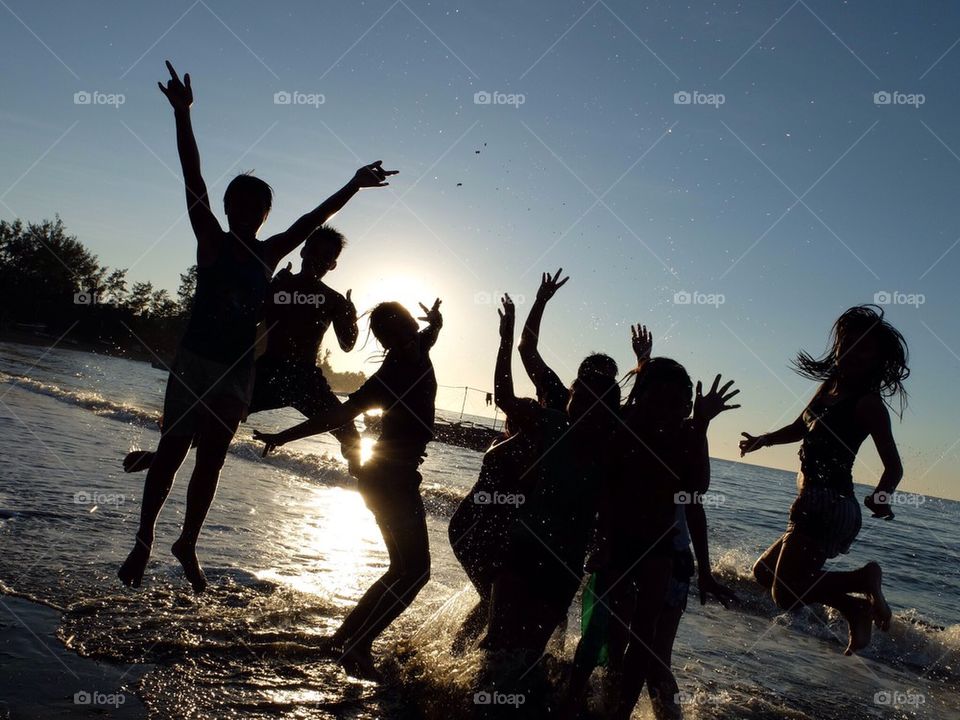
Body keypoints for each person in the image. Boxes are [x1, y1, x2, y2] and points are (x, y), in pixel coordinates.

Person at [118, 60, 395, 594]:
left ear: (266, 215)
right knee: (174, 452)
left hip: (237, 372)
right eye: (240, 204)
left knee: (211, 463)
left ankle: (187, 544)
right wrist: (183, 115)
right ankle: (146, 538)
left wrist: (355, 185)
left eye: (259, 207)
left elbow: (311, 220)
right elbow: (191, 175)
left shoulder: (270, 254)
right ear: (227, 208)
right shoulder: (213, 240)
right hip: (196, 362)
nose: (249, 211)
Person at [253, 299, 442, 680]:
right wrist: (284, 436)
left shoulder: (419, 347)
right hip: (388, 481)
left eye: (407, 326)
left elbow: (431, 335)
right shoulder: (391, 376)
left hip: (394, 477)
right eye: (394, 332)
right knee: (415, 571)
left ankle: (344, 639)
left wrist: (436, 320)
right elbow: (337, 415)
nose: (406, 335)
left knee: (402, 569)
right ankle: (357, 644)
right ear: (386, 340)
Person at [562, 360, 740, 720]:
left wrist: (702, 424)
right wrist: (601, 543)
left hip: (659, 551)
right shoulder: (623, 430)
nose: (670, 411)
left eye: (679, 404)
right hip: (619, 544)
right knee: (603, 634)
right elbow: (605, 492)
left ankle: (620, 713)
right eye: (661, 401)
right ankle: (573, 701)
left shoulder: (682, 436)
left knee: (644, 642)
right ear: (640, 398)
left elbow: (695, 494)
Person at [123, 225, 363, 477]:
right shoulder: (279, 286)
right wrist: (267, 291)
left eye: (327, 257)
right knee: (216, 425)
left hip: (306, 378)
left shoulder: (334, 301)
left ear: (333, 265)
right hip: (268, 371)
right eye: (314, 252)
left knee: (351, 435)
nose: (319, 260)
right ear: (303, 252)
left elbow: (347, 345)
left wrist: (351, 317)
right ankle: (158, 458)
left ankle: (362, 479)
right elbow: (249, 320)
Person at [743, 305, 908, 656]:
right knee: (764, 573)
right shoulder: (829, 388)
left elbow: (893, 466)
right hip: (808, 504)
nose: (850, 353)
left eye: (863, 348)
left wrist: (881, 496)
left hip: (831, 506)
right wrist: (764, 439)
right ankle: (854, 607)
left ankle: (863, 580)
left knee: (786, 592)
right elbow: (801, 426)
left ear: (877, 360)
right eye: (846, 343)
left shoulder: (868, 405)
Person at [448, 294, 541, 653]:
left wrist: (506, 338)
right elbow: (505, 391)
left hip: (477, 527)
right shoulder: (513, 446)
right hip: (476, 530)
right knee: (493, 601)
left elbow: (507, 392)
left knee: (493, 600)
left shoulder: (515, 443)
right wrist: (506, 340)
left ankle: (455, 654)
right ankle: (459, 662)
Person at [518, 268, 620, 411]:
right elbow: (526, 348)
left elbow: (526, 348)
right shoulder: (559, 397)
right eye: (595, 379)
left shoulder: (618, 416)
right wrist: (540, 301)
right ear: (579, 381)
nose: (599, 386)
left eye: (606, 381)